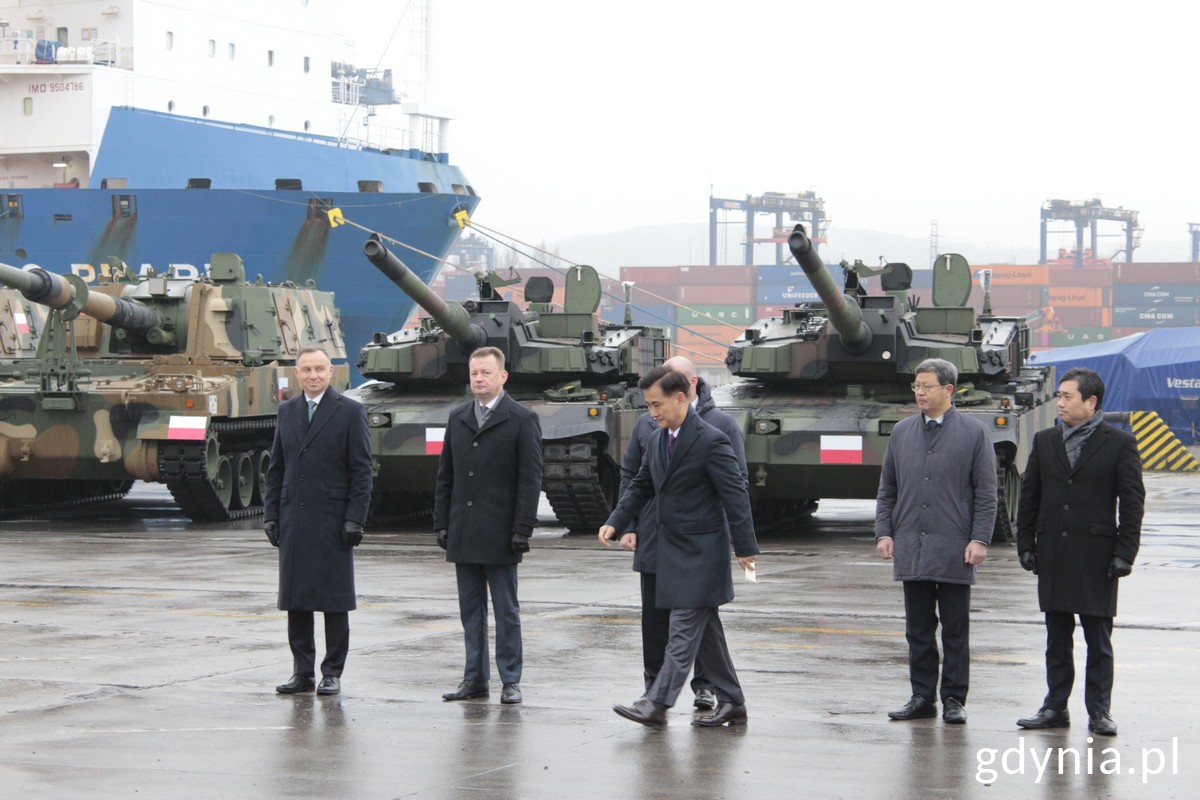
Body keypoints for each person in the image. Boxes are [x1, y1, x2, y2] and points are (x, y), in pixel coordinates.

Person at [600, 366, 759, 728]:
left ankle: (657, 702)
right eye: (648, 406)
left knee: (684, 630)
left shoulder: (711, 439)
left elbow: (735, 495)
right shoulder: (657, 440)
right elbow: (641, 485)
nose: (652, 412)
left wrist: (746, 548)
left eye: (657, 405)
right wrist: (616, 520)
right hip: (671, 552)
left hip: (702, 554)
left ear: (681, 398)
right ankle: (733, 701)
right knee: (707, 636)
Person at [1015, 367, 1144, 737]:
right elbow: (1030, 498)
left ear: (1091, 401)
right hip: (1053, 551)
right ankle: (1055, 706)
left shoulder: (1118, 443)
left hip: (1097, 558)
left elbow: (1132, 503)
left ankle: (1099, 710)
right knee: (1056, 638)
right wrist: (1026, 544)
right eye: (1059, 396)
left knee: (1098, 641)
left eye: (1067, 396)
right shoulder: (1045, 441)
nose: (1060, 402)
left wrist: (1125, 553)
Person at [875, 357, 997, 725]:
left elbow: (987, 493)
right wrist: (884, 531)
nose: (920, 392)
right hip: (912, 545)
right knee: (918, 630)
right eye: (916, 386)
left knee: (956, 630)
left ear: (949, 390)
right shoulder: (902, 432)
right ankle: (922, 696)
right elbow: (887, 489)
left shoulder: (974, 433)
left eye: (927, 386)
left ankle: (954, 699)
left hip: (954, 547)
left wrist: (980, 538)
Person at [435, 346, 542, 705]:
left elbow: (530, 480)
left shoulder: (522, 419)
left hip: (501, 532)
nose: (478, 379)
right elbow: (446, 475)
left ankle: (510, 680)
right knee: (471, 612)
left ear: (502, 377)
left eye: (485, 373)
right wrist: (441, 522)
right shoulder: (458, 417)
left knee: (506, 611)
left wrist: (522, 529)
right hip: (463, 532)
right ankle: (475, 680)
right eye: (473, 373)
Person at [264, 345, 372, 696]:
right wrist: (271, 515)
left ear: (331, 372)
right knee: (296, 600)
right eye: (306, 369)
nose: (313, 375)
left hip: (333, 521)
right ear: (297, 373)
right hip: (294, 516)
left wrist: (355, 518)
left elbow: (361, 471)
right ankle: (302, 672)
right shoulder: (287, 411)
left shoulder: (350, 412)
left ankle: (332, 672)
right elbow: (277, 467)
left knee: (334, 600)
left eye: (319, 369)